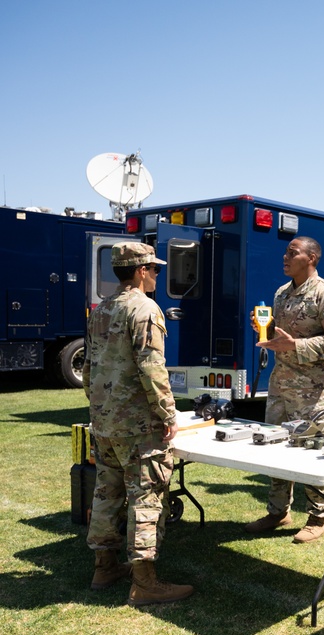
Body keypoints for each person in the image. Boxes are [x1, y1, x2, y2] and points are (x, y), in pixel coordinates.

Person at [83, 241, 194, 606]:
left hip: (105, 422)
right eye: (155, 269)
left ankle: (104, 566)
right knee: (146, 497)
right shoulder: (145, 309)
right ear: (141, 270)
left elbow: (88, 369)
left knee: (107, 493)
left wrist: (98, 409)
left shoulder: (101, 310)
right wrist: (167, 414)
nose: (158, 275)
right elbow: (152, 368)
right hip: (138, 426)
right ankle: (145, 582)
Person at [244, 236, 324, 544]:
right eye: (286, 252)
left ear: (312, 258)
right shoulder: (281, 293)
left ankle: (318, 517)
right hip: (281, 384)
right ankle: (278, 511)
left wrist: (296, 345)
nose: (285, 257)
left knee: (313, 450)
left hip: (314, 388)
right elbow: (284, 329)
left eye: (293, 253)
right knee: (275, 448)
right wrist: (265, 326)